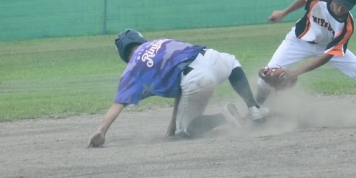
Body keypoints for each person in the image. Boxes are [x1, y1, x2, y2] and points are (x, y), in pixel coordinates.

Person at [88, 29, 268, 147]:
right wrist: (171, 126)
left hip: (197, 79)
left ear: (123, 54)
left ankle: (225, 117)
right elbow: (178, 84)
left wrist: (101, 131)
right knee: (232, 62)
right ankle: (253, 108)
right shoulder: (161, 42)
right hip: (210, 57)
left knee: (186, 130)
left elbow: (118, 104)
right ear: (140, 39)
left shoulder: (132, 69)